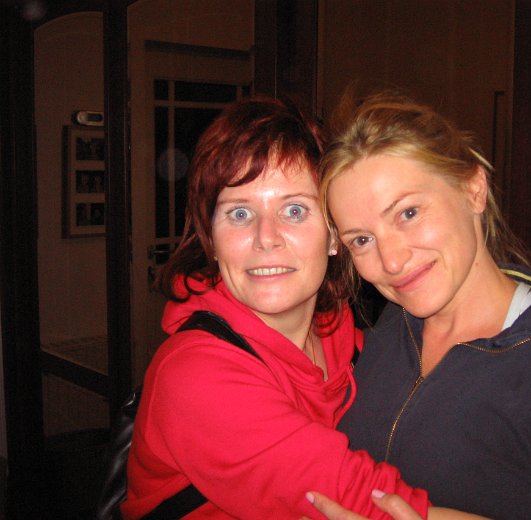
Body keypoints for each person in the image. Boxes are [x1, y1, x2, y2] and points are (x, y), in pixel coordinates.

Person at [121, 96, 484, 520]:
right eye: (239, 213)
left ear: (333, 237)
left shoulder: (344, 338)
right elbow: (370, 502)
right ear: (212, 242)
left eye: (294, 210)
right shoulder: (194, 375)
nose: (266, 238)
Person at [308, 91, 531, 519]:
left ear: (473, 189)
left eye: (408, 213)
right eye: (362, 239)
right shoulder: (389, 331)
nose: (392, 261)